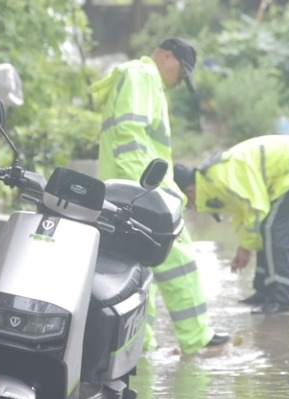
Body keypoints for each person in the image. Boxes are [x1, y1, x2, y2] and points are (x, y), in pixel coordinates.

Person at [89, 37, 229, 353]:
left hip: (126, 191)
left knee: (142, 269)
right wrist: (152, 194)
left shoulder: (142, 80)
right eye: (182, 72)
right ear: (166, 56)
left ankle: (141, 344)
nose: (181, 81)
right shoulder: (141, 76)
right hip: (138, 192)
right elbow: (130, 138)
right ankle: (198, 340)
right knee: (178, 255)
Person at [173, 135, 289, 315]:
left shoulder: (219, 179)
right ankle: (264, 291)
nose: (189, 207)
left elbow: (256, 208)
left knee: (272, 228)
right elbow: (243, 213)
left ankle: (282, 299)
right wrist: (245, 245)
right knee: (265, 228)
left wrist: (246, 248)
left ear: (190, 190)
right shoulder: (211, 182)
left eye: (185, 202)